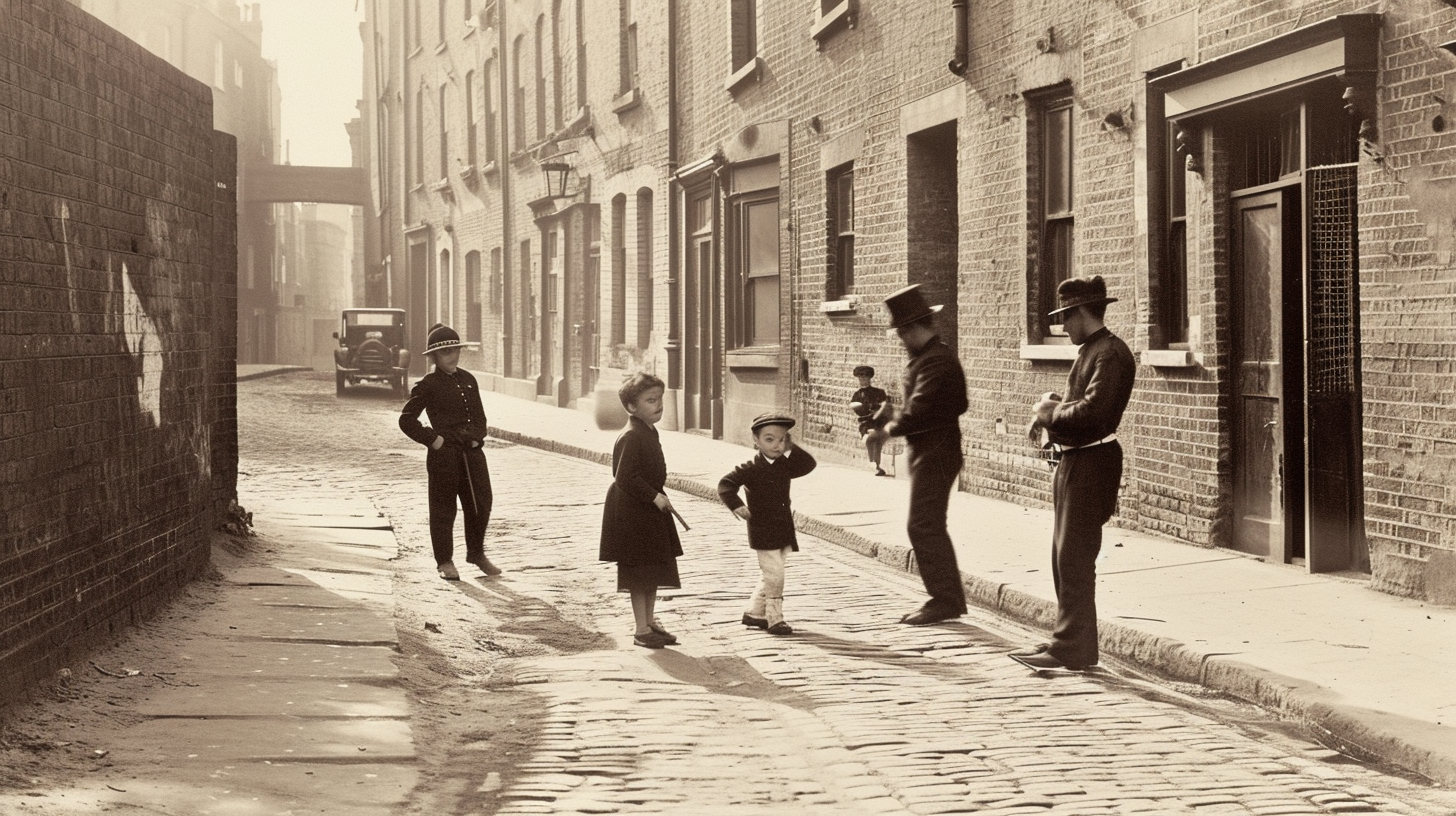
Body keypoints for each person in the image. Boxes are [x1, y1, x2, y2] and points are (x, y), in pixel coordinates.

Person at [1010, 276, 1135, 671]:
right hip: (1074, 460)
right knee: (1062, 557)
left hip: (1093, 461)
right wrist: (1051, 408)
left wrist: (1049, 414)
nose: (1062, 326)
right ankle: (1067, 639)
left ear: (1084, 312)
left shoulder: (1110, 354)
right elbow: (1075, 403)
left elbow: (1094, 413)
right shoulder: (1091, 351)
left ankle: (1074, 647)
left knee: (1076, 558)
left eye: (1066, 317)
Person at [871, 284, 969, 625]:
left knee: (923, 525)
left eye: (901, 333)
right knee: (927, 524)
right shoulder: (928, 359)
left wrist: (889, 429)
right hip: (930, 451)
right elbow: (920, 407)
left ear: (913, 328)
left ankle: (945, 600)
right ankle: (948, 598)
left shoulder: (937, 362)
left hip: (937, 452)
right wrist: (892, 416)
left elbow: (922, 411)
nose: (900, 339)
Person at [398, 323, 498, 581]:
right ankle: (445, 561)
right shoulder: (428, 385)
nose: (452, 356)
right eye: (446, 353)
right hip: (444, 456)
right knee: (443, 509)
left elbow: (480, 418)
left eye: (455, 350)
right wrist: (434, 440)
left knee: (481, 503)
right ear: (434, 357)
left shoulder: (468, 380)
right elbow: (406, 420)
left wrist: (476, 438)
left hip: (472, 454)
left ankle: (476, 553)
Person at [599, 372, 683, 649]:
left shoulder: (648, 430)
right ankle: (640, 628)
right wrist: (654, 496)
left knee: (653, 569)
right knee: (639, 572)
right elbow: (624, 477)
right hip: (633, 512)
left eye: (659, 399)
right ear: (632, 407)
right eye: (650, 400)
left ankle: (649, 621)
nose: (658, 405)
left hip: (648, 509)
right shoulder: (632, 435)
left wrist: (656, 496)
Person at [717, 413, 818, 636]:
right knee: (775, 575)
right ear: (756, 441)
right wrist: (736, 505)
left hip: (783, 527)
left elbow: (808, 464)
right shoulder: (750, 467)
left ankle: (754, 613)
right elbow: (726, 484)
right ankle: (775, 619)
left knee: (772, 572)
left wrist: (792, 447)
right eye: (769, 439)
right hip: (762, 528)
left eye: (782, 439)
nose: (776, 445)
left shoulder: (785, 464)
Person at [850, 365, 891, 476]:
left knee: (877, 443)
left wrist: (878, 412)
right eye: (860, 378)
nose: (862, 380)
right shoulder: (857, 395)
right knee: (868, 439)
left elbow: (884, 404)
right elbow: (855, 408)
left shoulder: (879, 392)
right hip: (865, 423)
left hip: (878, 422)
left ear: (869, 379)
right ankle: (874, 464)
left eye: (865, 378)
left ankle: (877, 466)